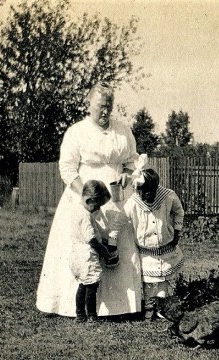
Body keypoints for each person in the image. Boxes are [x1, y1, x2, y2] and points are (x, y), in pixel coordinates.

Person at [36, 82, 142, 318]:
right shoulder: (77, 132)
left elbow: (131, 161)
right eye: (101, 107)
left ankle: (121, 307)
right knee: (84, 245)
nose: (105, 112)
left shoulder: (123, 130)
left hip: (116, 197)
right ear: (89, 105)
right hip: (84, 198)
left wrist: (126, 174)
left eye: (109, 107)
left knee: (118, 242)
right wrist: (84, 194)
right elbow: (67, 168)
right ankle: (73, 306)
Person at [124, 161, 185, 320]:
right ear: (138, 190)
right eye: (144, 192)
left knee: (164, 279)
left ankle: (162, 308)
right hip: (147, 251)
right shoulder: (133, 203)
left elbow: (179, 212)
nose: (148, 195)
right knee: (149, 281)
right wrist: (111, 239)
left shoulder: (168, 196)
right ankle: (149, 308)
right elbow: (120, 220)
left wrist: (177, 233)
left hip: (166, 246)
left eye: (151, 191)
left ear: (156, 187)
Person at [69, 179, 111, 323]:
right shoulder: (85, 215)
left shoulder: (76, 210)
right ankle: (92, 315)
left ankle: (80, 315)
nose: (98, 209)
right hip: (87, 254)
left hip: (77, 253)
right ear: (90, 200)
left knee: (83, 285)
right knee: (92, 285)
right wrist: (103, 249)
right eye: (97, 205)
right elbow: (90, 238)